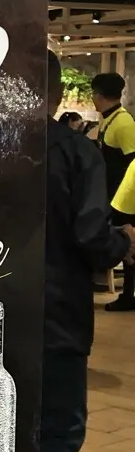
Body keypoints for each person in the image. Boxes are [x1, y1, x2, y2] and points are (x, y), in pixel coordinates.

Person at [39, 53, 133, 452]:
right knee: (60, 429)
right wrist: (123, 243)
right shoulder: (76, 152)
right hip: (55, 312)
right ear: (56, 93)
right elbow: (92, 237)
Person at [90, 71, 135, 310]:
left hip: (126, 199)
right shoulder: (110, 119)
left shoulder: (124, 123)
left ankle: (129, 295)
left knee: (129, 246)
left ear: (99, 95)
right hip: (114, 196)